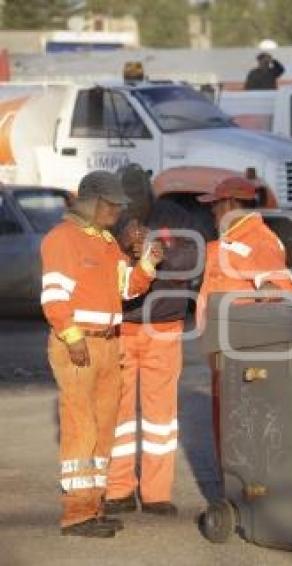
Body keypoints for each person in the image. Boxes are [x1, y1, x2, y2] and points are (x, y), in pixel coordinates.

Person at [40, 170, 163, 537]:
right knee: (82, 428)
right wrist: (72, 337)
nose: (118, 212)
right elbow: (54, 297)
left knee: (104, 429)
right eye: (112, 205)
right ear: (92, 202)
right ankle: (77, 515)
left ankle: (94, 507)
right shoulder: (62, 239)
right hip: (79, 345)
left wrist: (147, 266)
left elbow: (126, 290)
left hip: (110, 344)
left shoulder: (108, 243)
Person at [104, 165, 199, 517]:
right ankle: (119, 491)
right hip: (122, 328)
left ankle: (157, 493)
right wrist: (123, 246)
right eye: (124, 203)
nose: (131, 209)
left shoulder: (177, 217)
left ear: (150, 195)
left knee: (161, 418)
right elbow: (97, 266)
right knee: (120, 415)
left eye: (137, 201)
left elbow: (193, 260)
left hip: (165, 328)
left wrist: (156, 252)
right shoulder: (109, 221)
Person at [195, 176, 292, 457]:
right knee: (229, 424)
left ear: (229, 203)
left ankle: (239, 494)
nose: (212, 212)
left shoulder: (256, 240)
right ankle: (232, 490)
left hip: (240, 355)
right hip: (226, 351)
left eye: (215, 205)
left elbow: (283, 292)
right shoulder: (237, 239)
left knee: (239, 425)